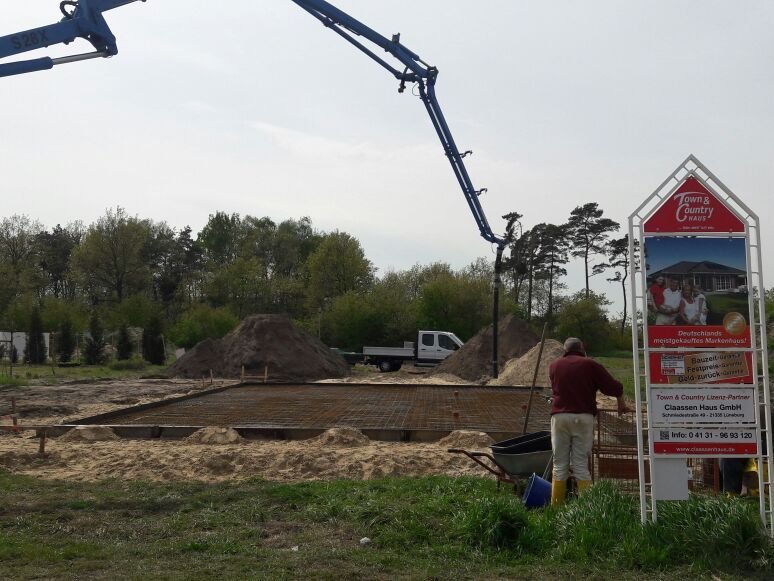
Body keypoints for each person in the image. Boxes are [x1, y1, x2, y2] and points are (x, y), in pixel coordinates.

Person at [549, 337, 629, 505]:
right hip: (584, 418)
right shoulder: (590, 365)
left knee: (559, 465)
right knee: (580, 464)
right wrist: (620, 400)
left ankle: (555, 508)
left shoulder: (554, 365)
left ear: (565, 350)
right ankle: (586, 508)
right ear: (582, 349)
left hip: (559, 418)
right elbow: (612, 386)